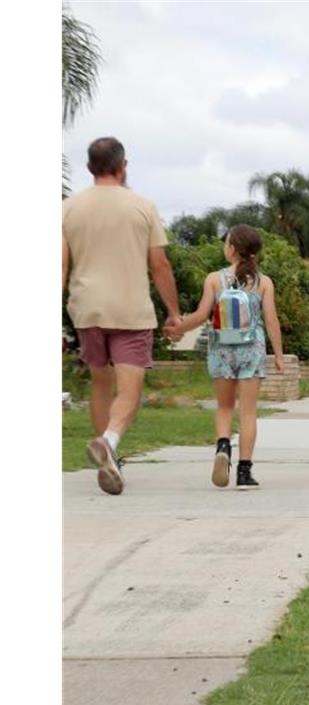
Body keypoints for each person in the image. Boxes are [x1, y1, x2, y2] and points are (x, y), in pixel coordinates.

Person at [63, 137, 181, 495]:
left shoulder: (68, 208)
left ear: (88, 168)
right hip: (130, 310)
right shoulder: (142, 207)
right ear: (122, 165)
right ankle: (109, 441)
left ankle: (108, 455)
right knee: (129, 390)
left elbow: (60, 267)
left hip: (87, 309)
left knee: (102, 382)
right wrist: (174, 312)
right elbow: (159, 264)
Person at [166, 225, 284, 489]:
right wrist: (277, 354)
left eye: (226, 242)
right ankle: (244, 472)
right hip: (251, 350)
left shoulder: (214, 279)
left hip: (221, 349)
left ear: (232, 249)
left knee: (224, 407)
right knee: (248, 412)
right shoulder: (263, 282)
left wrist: (178, 329)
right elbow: (272, 320)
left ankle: (223, 447)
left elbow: (200, 316)